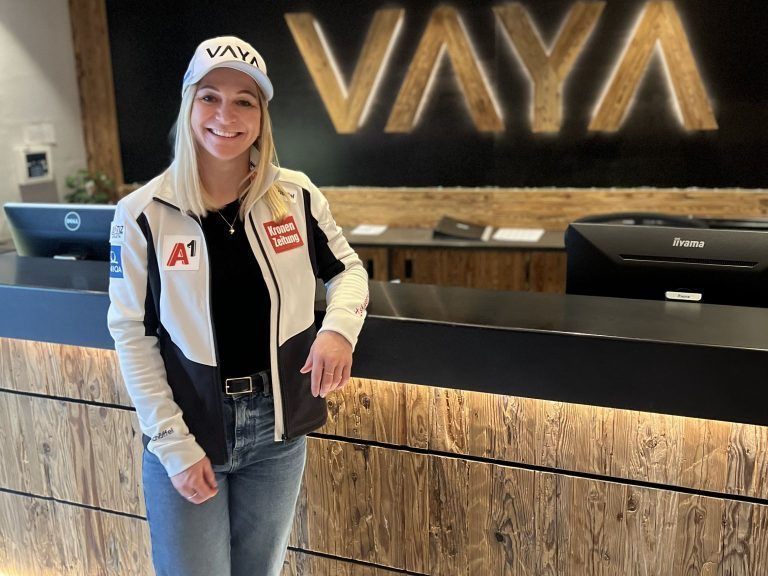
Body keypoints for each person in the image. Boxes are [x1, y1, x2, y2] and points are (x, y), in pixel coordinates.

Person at [107, 35, 369, 576]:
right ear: (189, 104)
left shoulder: (295, 196)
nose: (226, 115)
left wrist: (338, 329)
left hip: (277, 429)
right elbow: (131, 332)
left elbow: (348, 271)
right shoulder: (142, 213)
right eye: (210, 97)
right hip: (188, 427)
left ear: (261, 117)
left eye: (244, 101)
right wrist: (172, 441)